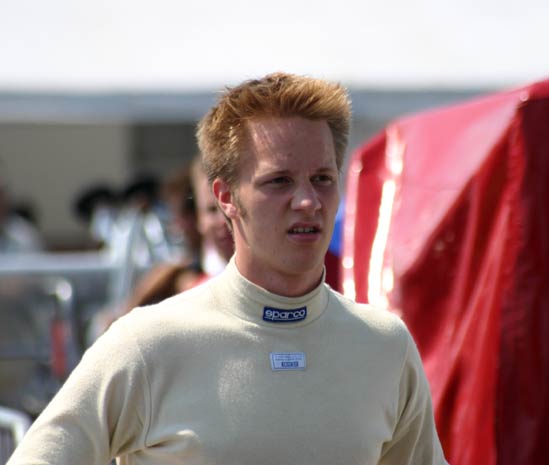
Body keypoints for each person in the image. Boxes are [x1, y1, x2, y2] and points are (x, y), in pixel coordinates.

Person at [8, 72, 447, 464]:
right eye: (279, 181)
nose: (308, 201)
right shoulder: (146, 344)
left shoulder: (385, 346)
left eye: (323, 179)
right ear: (225, 197)